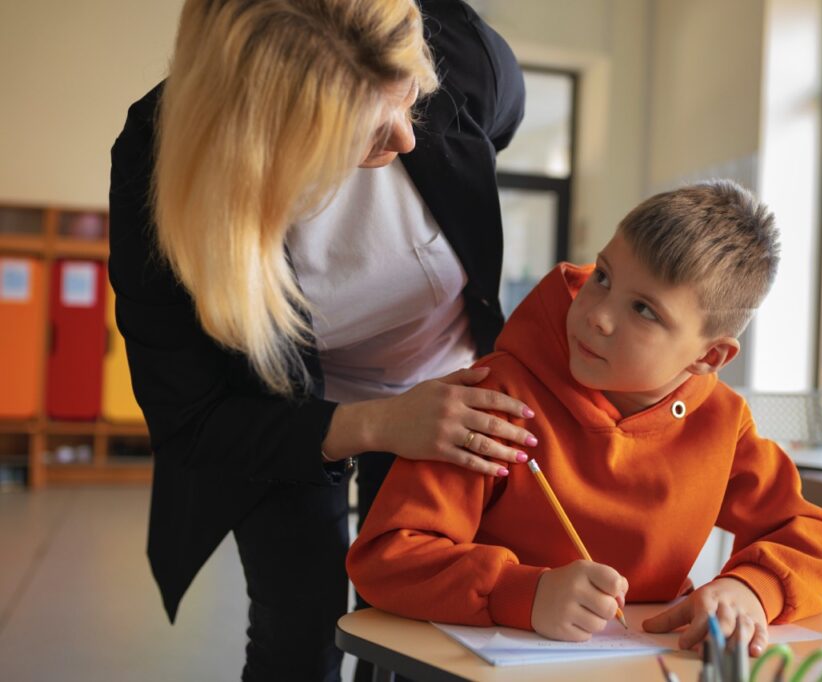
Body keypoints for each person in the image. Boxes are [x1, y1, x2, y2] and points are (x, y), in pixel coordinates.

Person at [108, 1, 529, 679]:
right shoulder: (156, 162)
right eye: (364, 130)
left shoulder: (463, 53)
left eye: (409, 98)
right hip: (276, 411)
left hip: (443, 382)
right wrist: (376, 423)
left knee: (422, 623)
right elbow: (191, 419)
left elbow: (489, 136)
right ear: (265, 138)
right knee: (299, 627)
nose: (407, 139)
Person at [347, 180, 822, 656]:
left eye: (644, 311)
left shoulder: (722, 421)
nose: (598, 316)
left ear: (709, 357)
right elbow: (386, 559)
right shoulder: (492, 399)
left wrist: (752, 589)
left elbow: (810, 535)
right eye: (603, 277)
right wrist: (522, 592)